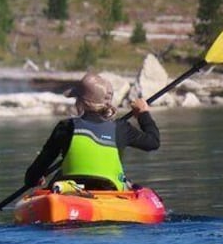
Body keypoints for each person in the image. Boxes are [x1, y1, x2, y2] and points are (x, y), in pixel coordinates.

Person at [24, 72, 160, 191]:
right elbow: (153, 142)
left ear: (80, 102)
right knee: (129, 184)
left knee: (59, 176)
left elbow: (31, 176)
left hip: (72, 192)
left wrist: (36, 177)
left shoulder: (65, 127)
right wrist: (143, 114)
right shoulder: (121, 128)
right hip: (111, 192)